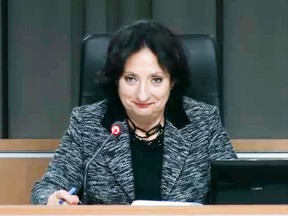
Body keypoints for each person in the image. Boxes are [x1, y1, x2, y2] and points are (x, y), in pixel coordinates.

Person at [30, 19, 237, 205]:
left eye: (156, 80)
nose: (142, 94)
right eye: (131, 79)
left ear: (172, 82)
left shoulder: (204, 122)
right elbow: (46, 189)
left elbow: (237, 190)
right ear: (116, 80)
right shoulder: (87, 124)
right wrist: (52, 199)